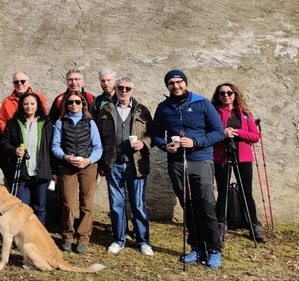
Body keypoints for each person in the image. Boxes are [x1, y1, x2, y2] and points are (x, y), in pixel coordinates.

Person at [152, 70, 225, 269]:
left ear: (185, 83)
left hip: (200, 160)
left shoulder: (202, 104)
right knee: (188, 206)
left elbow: (218, 132)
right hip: (176, 162)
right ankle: (196, 247)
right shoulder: (164, 107)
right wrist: (164, 144)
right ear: (167, 86)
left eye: (179, 82)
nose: (175, 86)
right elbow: (156, 134)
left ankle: (214, 249)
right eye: (171, 83)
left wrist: (195, 142)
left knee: (206, 205)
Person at [95, 78, 154, 256]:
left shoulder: (142, 110)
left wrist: (144, 143)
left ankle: (143, 241)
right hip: (113, 163)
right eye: (120, 87)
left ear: (132, 90)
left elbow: (153, 135)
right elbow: (97, 137)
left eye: (128, 88)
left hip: (136, 164)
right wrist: (101, 163)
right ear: (116, 89)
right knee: (116, 205)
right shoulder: (106, 110)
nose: (124, 91)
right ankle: (118, 239)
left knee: (138, 203)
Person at [211, 83, 266, 244]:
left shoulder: (245, 114)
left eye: (229, 92)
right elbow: (208, 133)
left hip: (243, 157)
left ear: (235, 94)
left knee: (246, 192)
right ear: (218, 96)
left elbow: (255, 136)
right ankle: (221, 225)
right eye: (222, 93)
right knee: (223, 192)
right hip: (221, 157)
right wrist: (223, 133)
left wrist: (238, 133)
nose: (226, 95)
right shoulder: (213, 113)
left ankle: (254, 226)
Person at [52, 89, 103, 254]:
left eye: (77, 102)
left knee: (86, 203)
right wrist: (66, 157)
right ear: (66, 105)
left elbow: (98, 147)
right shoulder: (61, 122)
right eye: (70, 102)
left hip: (88, 166)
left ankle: (83, 238)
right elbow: (55, 146)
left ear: (83, 104)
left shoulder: (90, 123)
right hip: (67, 166)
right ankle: (67, 236)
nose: (74, 105)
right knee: (68, 202)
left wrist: (89, 160)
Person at [0, 92, 54, 225]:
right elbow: (4, 144)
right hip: (22, 172)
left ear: (37, 105)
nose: (29, 106)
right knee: (22, 206)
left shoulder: (46, 123)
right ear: (21, 105)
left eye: (32, 104)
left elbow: (52, 146)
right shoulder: (13, 123)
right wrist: (14, 150)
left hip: (41, 171)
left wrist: (54, 172)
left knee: (40, 207)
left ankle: (38, 236)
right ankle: (22, 235)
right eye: (26, 104)